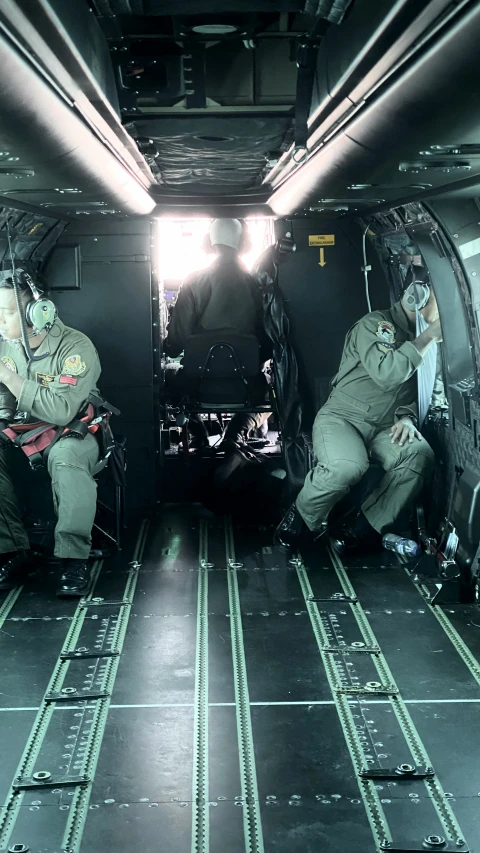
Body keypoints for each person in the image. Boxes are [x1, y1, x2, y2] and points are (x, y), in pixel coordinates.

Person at [275, 281, 443, 555]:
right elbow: (387, 373)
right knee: (347, 466)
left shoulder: (424, 340)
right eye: (441, 300)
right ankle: (302, 517)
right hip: (343, 419)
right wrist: (427, 338)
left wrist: (409, 417)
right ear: (418, 297)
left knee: (419, 455)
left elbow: (424, 390)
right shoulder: (376, 326)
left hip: (387, 425)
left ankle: (360, 527)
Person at [0, 270, 106, 597]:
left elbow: (61, 410)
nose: (0, 321)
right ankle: (15, 551)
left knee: (65, 458)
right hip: (23, 433)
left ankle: (73, 558)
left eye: (7, 313)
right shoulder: (6, 347)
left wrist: (8, 377)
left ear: (38, 311)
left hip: (72, 432)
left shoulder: (74, 348)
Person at [164, 218, 271, 449]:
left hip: (196, 388)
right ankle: (235, 435)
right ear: (243, 243)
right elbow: (270, 341)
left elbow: (175, 343)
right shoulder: (258, 283)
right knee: (273, 384)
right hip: (248, 388)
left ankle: (198, 434)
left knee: (167, 375)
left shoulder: (193, 281)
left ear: (209, 243)